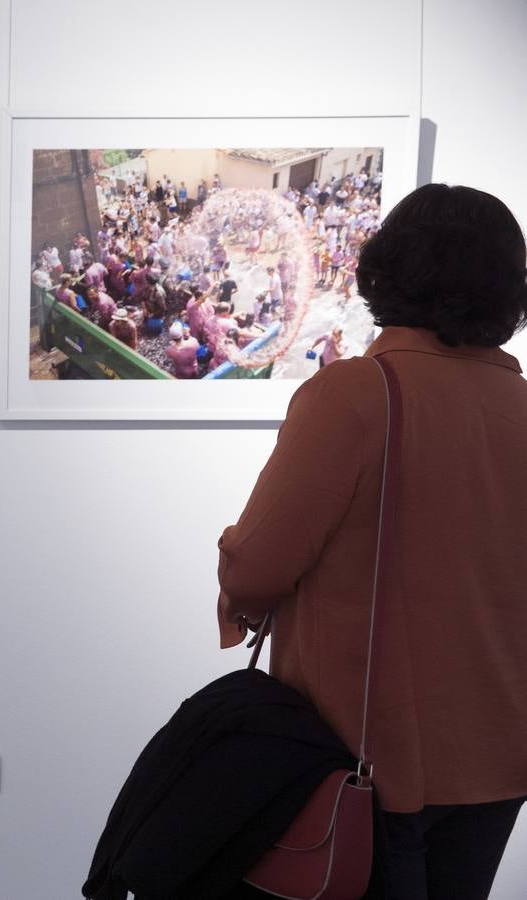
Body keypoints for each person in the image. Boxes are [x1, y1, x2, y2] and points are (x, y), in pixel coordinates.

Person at [217, 184, 527, 899]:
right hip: (499, 749)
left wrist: (236, 572)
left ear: (389, 270)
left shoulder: (353, 396)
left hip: (368, 750)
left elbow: (257, 567)